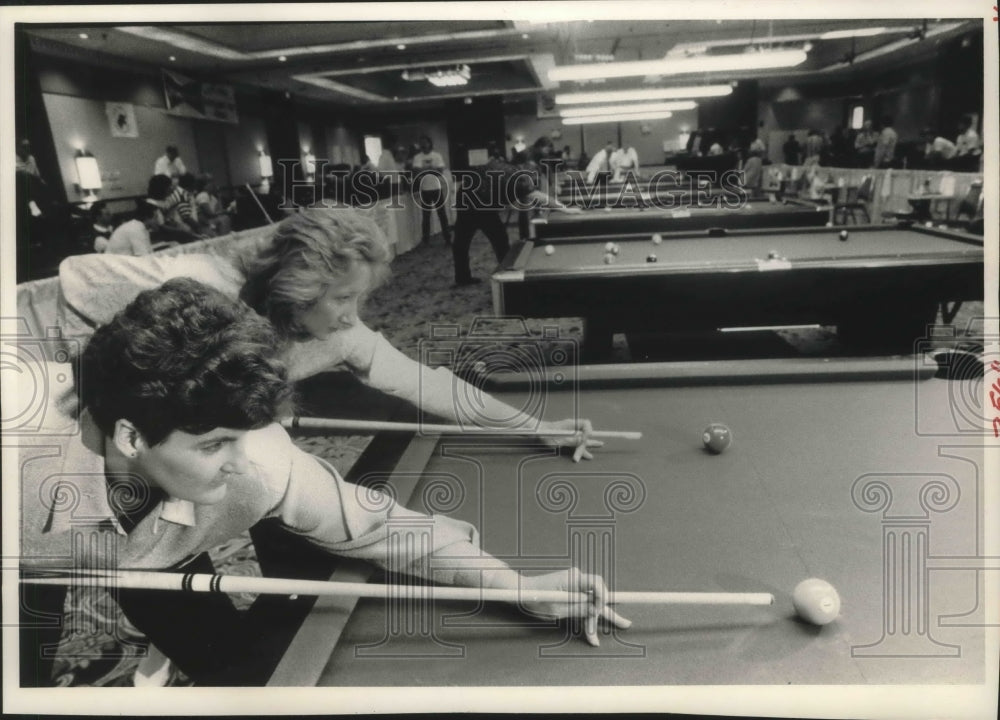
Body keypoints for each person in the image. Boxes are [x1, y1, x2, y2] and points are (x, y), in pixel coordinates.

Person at [20, 278, 629, 687]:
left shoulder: (258, 464)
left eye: (243, 434)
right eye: (214, 444)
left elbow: (383, 528)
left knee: (231, 670)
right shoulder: (19, 467)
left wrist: (519, 586)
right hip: (31, 544)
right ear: (131, 436)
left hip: (153, 546)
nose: (240, 458)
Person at [58, 208, 602, 461]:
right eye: (343, 297)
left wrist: (534, 426)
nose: (352, 314)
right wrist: (100, 385)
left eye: (359, 298)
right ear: (299, 287)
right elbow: (76, 278)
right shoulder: (201, 284)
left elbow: (428, 384)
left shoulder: (339, 334)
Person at [451, 144, 579, 288]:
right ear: (523, 163)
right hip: (477, 202)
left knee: (462, 243)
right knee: (499, 239)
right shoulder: (517, 175)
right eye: (531, 167)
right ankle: (508, 275)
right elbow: (536, 196)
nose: (533, 171)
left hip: (466, 197)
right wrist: (565, 209)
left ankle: (464, 276)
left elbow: (510, 194)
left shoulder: (504, 165)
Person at [409, 135, 452, 245]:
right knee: (426, 216)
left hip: (436, 188)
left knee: (442, 215)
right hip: (424, 189)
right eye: (421, 142)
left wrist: (424, 170)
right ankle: (426, 240)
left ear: (429, 143)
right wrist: (431, 169)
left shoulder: (437, 155)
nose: (423, 145)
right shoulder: (417, 157)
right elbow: (416, 172)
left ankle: (447, 238)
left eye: (425, 142)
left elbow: (440, 171)